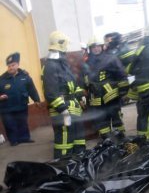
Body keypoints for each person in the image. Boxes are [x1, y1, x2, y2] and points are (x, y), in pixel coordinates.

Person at [42, 31, 86, 159]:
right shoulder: (50, 65)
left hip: (74, 109)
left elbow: (72, 85)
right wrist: (63, 111)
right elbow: (50, 93)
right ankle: (63, 169)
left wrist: (80, 95)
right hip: (63, 112)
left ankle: (79, 164)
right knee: (64, 143)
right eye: (65, 45)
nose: (67, 48)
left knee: (78, 139)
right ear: (61, 45)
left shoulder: (62, 64)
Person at [87, 33, 128, 139]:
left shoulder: (111, 59)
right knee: (102, 125)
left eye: (97, 46)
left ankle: (121, 143)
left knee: (116, 121)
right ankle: (107, 143)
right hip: (96, 100)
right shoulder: (88, 63)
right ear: (90, 49)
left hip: (111, 97)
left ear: (101, 46)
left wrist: (123, 93)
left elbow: (122, 76)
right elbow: (85, 80)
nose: (95, 49)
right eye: (93, 47)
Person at [0, 52, 41, 146]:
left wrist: (37, 100)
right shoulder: (2, 79)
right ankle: (13, 141)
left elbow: (32, 89)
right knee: (9, 125)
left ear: (18, 64)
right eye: (9, 66)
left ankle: (24, 138)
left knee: (23, 122)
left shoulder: (25, 76)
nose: (11, 67)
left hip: (21, 105)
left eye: (13, 65)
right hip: (6, 108)